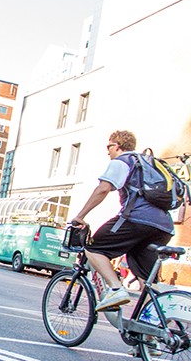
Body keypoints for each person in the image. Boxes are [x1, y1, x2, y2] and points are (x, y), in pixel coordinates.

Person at [71, 130, 174, 311]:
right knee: (147, 281)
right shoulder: (148, 163)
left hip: (137, 219)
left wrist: (81, 215)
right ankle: (152, 329)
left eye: (108, 146)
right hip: (164, 226)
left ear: (117, 146)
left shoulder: (122, 161)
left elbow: (103, 189)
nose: (107, 151)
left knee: (94, 249)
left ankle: (116, 289)